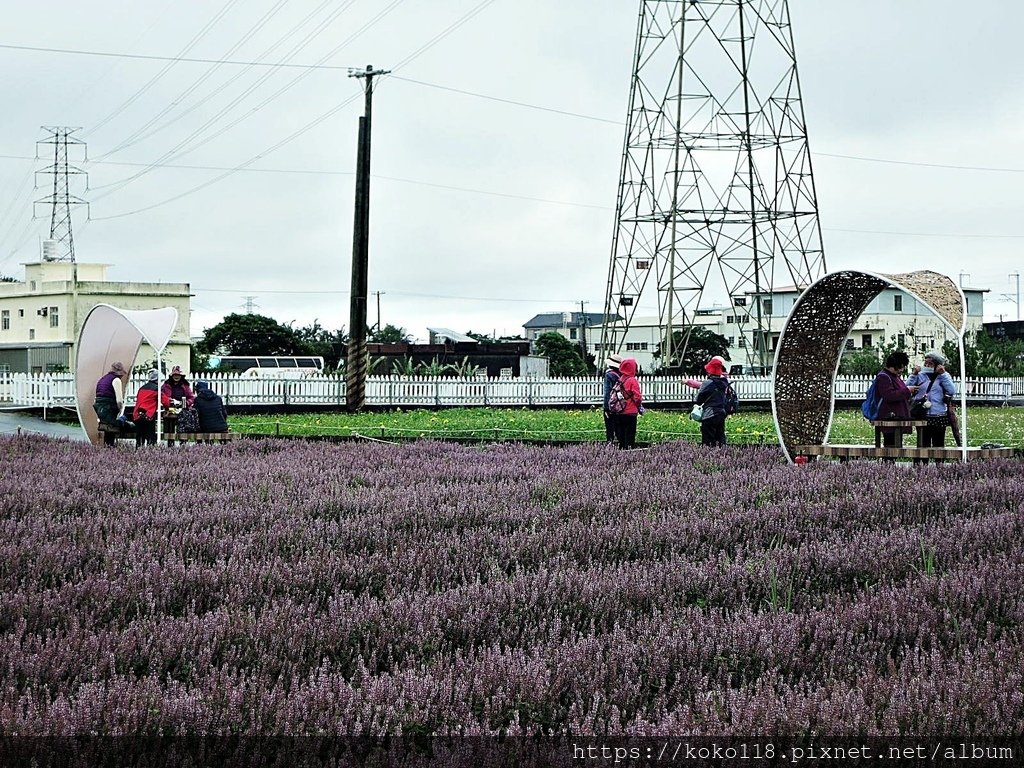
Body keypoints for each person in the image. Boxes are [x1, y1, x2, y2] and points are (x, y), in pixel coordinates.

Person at [907, 350, 957, 450]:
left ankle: (939, 465)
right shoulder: (920, 375)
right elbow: (906, 388)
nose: (927, 365)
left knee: (938, 445)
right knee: (922, 444)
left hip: (939, 414)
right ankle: (921, 465)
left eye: (931, 363)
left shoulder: (944, 376)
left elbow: (951, 390)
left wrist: (942, 374)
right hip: (922, 414)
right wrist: (913, 374)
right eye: (926, 362)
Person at [873, 351, 919, 447]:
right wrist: (908, 390)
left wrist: (910, 392)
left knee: (896, 447)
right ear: (894, 366)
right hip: (889, 418)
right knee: (890, 448)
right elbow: (889, 395)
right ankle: (887, 463)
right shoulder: (884, 377)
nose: (902, 370)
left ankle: (889, 462)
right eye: (901, 367)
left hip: (897, 419)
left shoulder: (894, 377)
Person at [692, 356, 731, 447]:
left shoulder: (707, 383)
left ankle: (709, 456)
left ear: (709, 371)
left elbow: (699, 399)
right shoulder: (724, 382)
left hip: (709, 414)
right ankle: (722, 456)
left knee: (708, 440)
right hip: (721, 413)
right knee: (720, 438)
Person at [133, 369, 172, 447]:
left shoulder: (141, 388)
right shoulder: (156, 389)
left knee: (140, 436)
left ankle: (138, 451)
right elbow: (165, 401)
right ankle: (151, 451)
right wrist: (167, 409)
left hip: (137, 414)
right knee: (150, 436)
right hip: (148, 414)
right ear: (158, 379)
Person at [93, 361, 128, 446]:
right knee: (115, 426)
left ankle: (107, 449)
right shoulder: (116, 380)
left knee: (107, 429)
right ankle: (110, 448)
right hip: (109, 407)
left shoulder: (103, 379)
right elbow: (119, 400)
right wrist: (121, 411)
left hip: (99, 408)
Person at [613, 358, 643, 449]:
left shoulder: (620, 379)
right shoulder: (632, 380)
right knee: (629, 436)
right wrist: (639, 406)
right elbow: (637, 397)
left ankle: (621, 455)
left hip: (619, 411)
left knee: (621, 437)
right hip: (630, 412)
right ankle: (628, 456)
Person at [602, 354, 623, 443]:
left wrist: (606, 407)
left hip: (611, 405)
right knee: (619, 427)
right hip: (621, 405)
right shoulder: (622, 375)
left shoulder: (609, 375)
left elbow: (607, 392)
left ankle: (610, 444)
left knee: (609, 428)